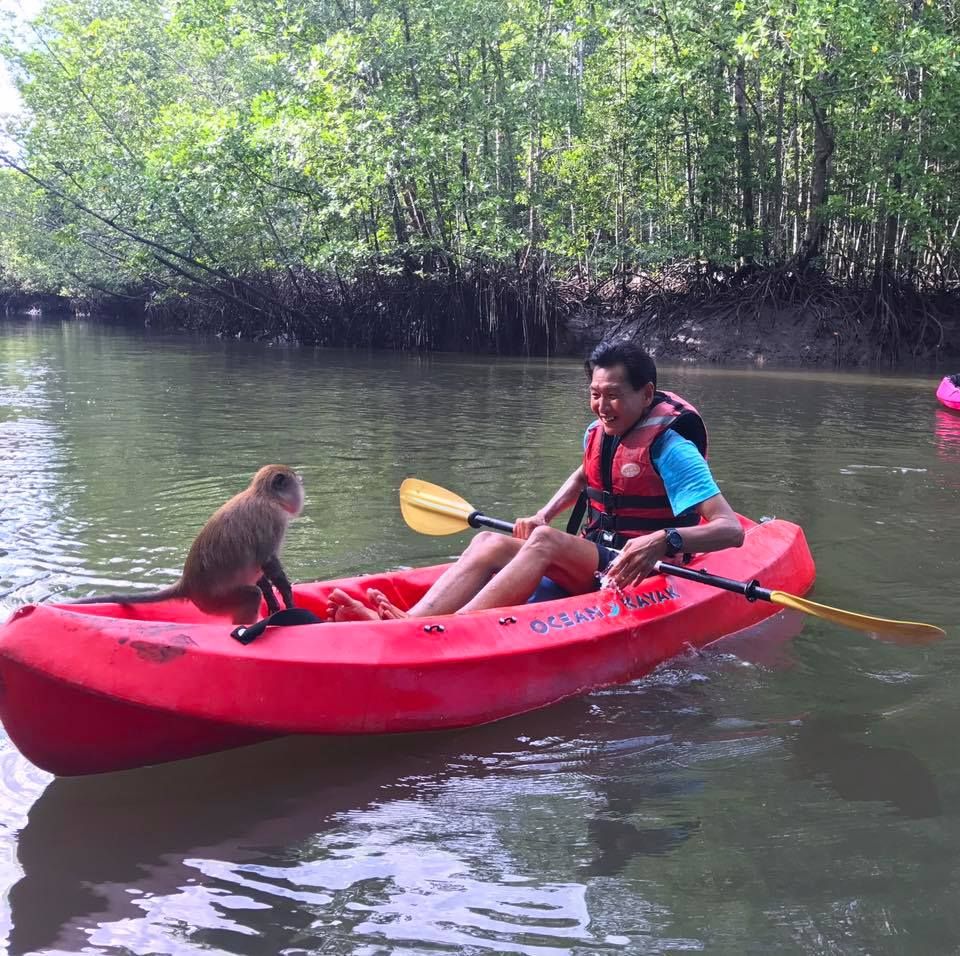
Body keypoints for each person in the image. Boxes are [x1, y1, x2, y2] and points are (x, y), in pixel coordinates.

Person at [327, 340, 744, 622]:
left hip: (645, 570)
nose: (602, 405)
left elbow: (730, 529)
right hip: (600, 557)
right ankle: (411, 622)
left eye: (613, 394)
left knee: (544, 542)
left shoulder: (672, 448)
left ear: (646, 394)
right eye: (595, 393)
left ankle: (451, 629)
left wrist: (663, 540)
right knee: (488, 541)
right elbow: (586, 475)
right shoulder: (600, 433)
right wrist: (545, 513)